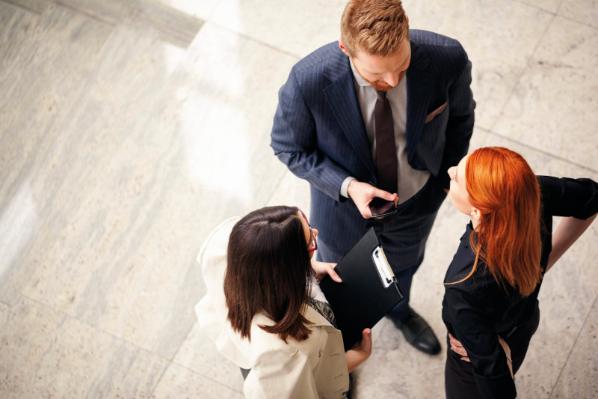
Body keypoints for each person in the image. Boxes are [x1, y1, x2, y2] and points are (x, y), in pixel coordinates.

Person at [270, 0, 475, 355]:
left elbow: (460, 120)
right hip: (341, 214)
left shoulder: (447, 59)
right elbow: (288, 148)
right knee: (344, 283)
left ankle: (399, 311)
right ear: (345, 49)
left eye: (402, 65)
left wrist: (443, 182)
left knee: (405, 267)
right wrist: (348, 187)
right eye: (377, 76)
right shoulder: (309, 81)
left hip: (416, 204)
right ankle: (343, 349)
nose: (393, 81)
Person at [442, 146, 598, 398]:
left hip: (471, 364)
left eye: (457, 178)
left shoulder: (462, 283)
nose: (450, 171)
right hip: (523, 326)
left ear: (477, 213)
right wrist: (539, 266)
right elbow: (591, 198)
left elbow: (498, 387)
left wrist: (496, 354)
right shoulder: (530, 192)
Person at [195, 206, 373, 398]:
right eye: (310, 243)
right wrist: (353, 359)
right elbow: (306, 390)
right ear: (287, 270)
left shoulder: (235, 252)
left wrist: (310, 269)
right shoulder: (279, 355)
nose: (316, 233)